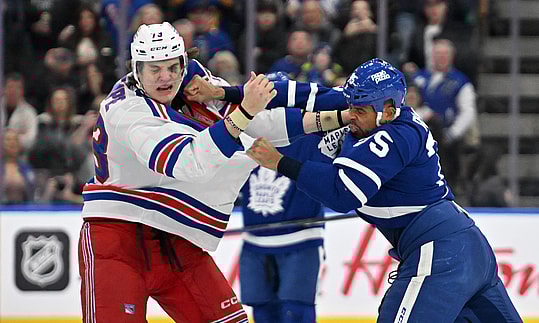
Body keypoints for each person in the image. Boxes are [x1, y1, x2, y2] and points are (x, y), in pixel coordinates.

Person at [78, 22, 349, 322]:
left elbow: (259, 125)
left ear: (183, 62)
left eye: (172, 66)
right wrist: (245, 110)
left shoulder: (195, 81)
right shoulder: (126, 112)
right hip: (117, 238)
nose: (166, 77)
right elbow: (188, 162)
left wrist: (336, 118)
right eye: (154, 69)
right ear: (136, 70)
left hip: (177, 237)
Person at [247, 58, 522, 322]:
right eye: (351, 105)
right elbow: (314, 94)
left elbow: (340, 192)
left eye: (360, 110)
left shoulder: (391, 135)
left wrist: (279, 162)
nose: (349, 115)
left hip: (440, 252)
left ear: (387, 110)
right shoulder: (371, 114)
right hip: (463, 246)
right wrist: (227, 93)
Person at [238, 72, 331, 323]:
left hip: (300, 242)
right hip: (255, 241)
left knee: (295, 313)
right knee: (263, 312)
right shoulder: (242, 135)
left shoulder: (313, 138)